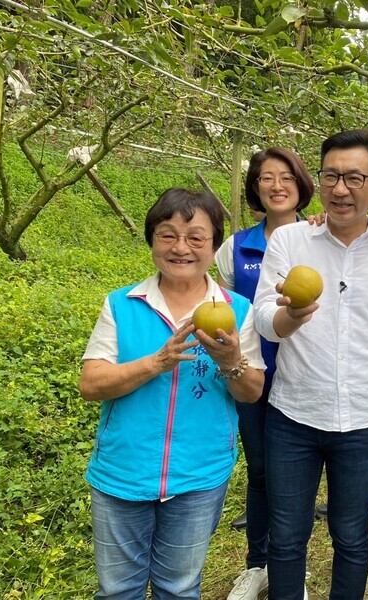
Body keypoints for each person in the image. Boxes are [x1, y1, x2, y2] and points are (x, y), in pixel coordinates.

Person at [79, 188, 265, 599]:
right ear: (151, 241)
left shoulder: (236, 311)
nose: (181, 248)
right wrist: (156, 363)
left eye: (196, 237)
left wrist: (231, 359)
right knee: (116, 590)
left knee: (179, 588)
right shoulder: (123, 305)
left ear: (215, 246)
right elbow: (91, 384)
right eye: (167, 235)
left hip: (199, 476)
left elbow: (252, 392)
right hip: (121, 473)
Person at [253, 129, 368, 599]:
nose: (341, 189)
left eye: (354, 177)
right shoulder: (289, 241)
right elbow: (262, 317)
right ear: (318, 181)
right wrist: (290, 317)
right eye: (331, 176)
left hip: (364, 419)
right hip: (293, 415)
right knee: (286, 537)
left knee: (351, 535)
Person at [216, 148, 315, 600]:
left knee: (296, 477)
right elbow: (224, 312)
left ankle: (291, 567)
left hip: (306, 376)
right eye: (266, 178)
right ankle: (257, 563)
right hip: (255, 377)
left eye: (286, 177)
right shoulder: (234, 248)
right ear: (255, 187)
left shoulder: (321, 238)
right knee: (260, 471)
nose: (276, 185)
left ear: (301, 184)